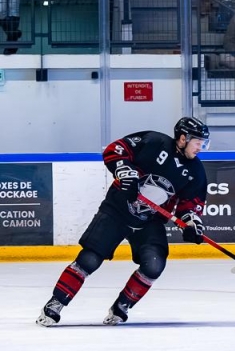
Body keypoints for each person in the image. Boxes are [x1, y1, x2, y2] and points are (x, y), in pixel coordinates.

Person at [36, 118, 211, 327]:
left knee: (154, 265)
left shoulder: (196, 172)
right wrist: (125, 171)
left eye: (203, 142)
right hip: (118, 209)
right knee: (89, 259)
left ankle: (121, 306)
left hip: (149, 220)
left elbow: (190, 205)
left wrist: (191, 224)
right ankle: (56, 303)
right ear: (183, 138)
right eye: (197, 141)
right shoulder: (154, 142)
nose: (201, 147)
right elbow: (115, 149)